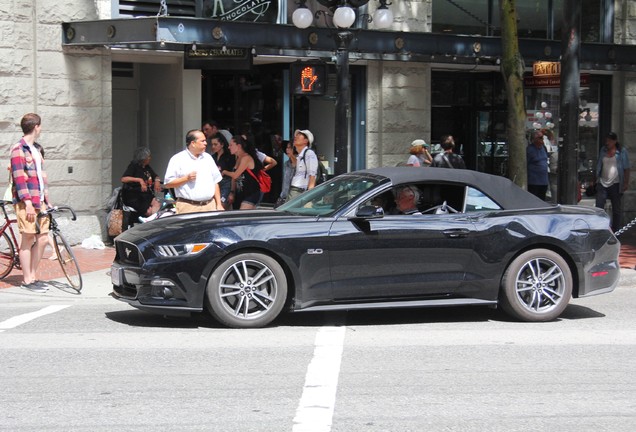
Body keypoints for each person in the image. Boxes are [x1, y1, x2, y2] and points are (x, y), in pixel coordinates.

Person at [10, 113, 51, 292]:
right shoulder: (18, 149)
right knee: (27, 238)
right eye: (40, 126)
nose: (41, 129)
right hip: (27, 202)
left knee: (42, 238)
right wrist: (27, 203)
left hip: (39, 200)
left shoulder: (35, 149)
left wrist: (47, 200)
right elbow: (19, 179)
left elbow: (40, 179)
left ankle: (33, 275)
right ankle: (27, 279)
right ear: (36, 127)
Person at [163, 129, 224, 214]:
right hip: (188, 207)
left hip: (210, 206)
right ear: (193, 143)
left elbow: (215, 182)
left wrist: (219, 204)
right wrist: (186, 178)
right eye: (202, 141)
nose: (206, 143)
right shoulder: (177, 159)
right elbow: (168, 183)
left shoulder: (208, 158)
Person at [596, 131, 630, 231]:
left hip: (615, 183)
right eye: (607, 140)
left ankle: (616, 231)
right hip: (602, 182)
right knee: (599, 207)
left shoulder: (622, 151)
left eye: (610, 140)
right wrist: (596, 179)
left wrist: (625, 183)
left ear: (615, 141)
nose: (607, 142)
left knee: (616, 209)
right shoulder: (603, 150)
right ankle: (600, 229)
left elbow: (626, 168)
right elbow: (599, 164)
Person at [32, 142, 58, 260]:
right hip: (30, 203)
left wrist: (47, 203)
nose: (42, 159)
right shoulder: (31, 170)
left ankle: (55, 250)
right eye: (40, 155)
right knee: (30, 236)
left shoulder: (41, 172)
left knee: (43, 234)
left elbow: (45, 189)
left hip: (40, 203)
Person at [223, 135, 263, 210]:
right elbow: (234, 178)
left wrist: (224, 172)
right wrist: (232, 192)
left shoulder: (246, 158)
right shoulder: (238, 158)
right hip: (240, 193)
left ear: (238, 146)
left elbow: (235, 175)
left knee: (242, 216)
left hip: (251, 193)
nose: (229, 147)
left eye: (231, 145)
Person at [120, 147, 161, 219]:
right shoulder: (134, 166)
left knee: (157, 204)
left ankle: (152, 221)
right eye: (148, 157)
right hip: (135, 196)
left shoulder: (147, 167)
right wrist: (139, 180)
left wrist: (157, 181)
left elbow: (155, 176)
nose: (150, 158)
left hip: (146, 195)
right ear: (143, 158)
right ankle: (150, 221)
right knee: (149, 211)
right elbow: (124, 179)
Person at [287, 129, 318, 202]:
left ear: (306, 141)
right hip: (294, 191)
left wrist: (309, 196)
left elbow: (312, 176)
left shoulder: (309, 153)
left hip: (300, 192)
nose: (296, 137)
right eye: (296, 135)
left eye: (299, 135)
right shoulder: (300, 156)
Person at [210, 133, 235, 209]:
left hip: (226, 184)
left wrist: (232, 192)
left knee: (221, 205)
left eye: (215, 144)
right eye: (212, 144)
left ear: (222, 144)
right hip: (215, 184)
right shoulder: (212, 157)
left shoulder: (230, 157)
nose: (213, 147)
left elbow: (234, 175)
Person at [526, 130, 549, 200]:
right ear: (535, 139)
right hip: (534, 181)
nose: (542, 140)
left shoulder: (543, 148)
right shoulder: (530, 149)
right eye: (540, 138)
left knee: (542, 199)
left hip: (544, 181)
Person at [275, 140, 296, 207]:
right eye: (286, 148)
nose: (287, 150)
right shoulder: (286, 164)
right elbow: (285, 183)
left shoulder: (302, 164)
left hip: (296, 198)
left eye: (290, 148)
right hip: (284, 198)